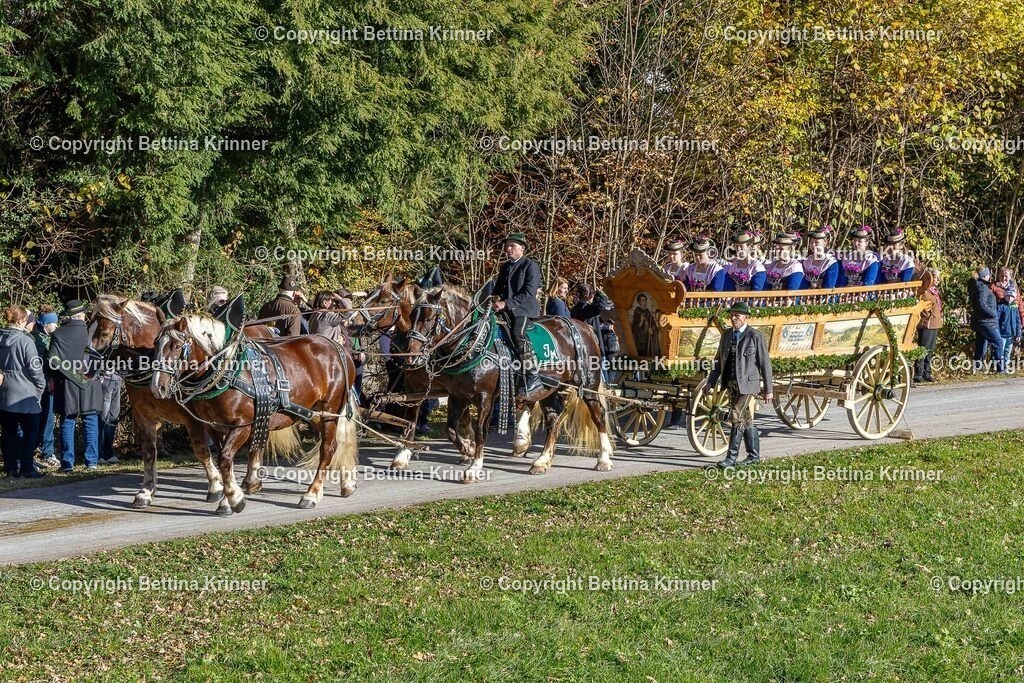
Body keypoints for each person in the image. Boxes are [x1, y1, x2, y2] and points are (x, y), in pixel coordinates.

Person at [705, 301, 773, 467]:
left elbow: (765, 363)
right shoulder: (727, 335)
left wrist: (768, 390)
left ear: (746, 317)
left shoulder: (755, 336)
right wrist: (711, 382)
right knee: (746, 419)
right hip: (731, 383)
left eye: (737, 315)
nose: (733, 318)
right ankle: (753, 456)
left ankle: (731, 458)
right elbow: (718, 360)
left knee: (735, 415)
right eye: (732, 315)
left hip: (748, 385)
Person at [48, 300, 104, 471]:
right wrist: (88, 376)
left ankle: (67, 464)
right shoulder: (92, 332)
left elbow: (53, 359)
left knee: (67, 422)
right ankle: (92, 462)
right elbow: (100, 357)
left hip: (67, 384)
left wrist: (72, 375)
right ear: (82, 315)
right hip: (90, 382)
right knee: (91, 421)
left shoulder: (58, 334)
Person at [492, 231, 543, 397]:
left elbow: (529, 293)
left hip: (524, 309)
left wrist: (506, 303)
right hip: (505, 309)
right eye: (507, 245)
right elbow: (497, 290)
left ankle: (533, 375)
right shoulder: (505, 267)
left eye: (512, 245)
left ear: (522, 248)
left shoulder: (531, 266)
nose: (508, 248)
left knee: (517, 333)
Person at [0, 305, 46, 478]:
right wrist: (40, 388)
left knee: (9, 433)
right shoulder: (26, 341)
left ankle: (11, 467)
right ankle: (27, 467)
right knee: (31, 431)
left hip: (4, 393)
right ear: (20, 320)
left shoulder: (0, 336)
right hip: (26, 393)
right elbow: (35, 369)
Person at [31, 306, 60, 468]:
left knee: (48, 420)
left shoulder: (50, 338)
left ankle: (48, 452)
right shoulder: (36, 339)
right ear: (45, 324)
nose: (56, 326)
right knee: (39, 420)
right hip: (39, 386)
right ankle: (35, 452)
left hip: (48, 386)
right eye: (53, 323)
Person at [969, 268, 1003, 373]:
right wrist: (993, 313)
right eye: (988, 274)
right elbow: (981, 304)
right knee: (998, 342)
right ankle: (1000, 369)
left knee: (981, 345)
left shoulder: (977, 286)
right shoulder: (983, 287)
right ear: (985, 276)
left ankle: (977, 368)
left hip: (981, 322)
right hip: (987, 322)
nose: (990, 275)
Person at [914, 268, 943, 384]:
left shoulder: (934, 291)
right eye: (935, 277)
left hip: (935, 323)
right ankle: (918, 373)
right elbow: (922, 306)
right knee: (923, 349)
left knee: (930, 350)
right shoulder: (924, 291)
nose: (937, 280)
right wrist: (928, 314)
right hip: (927, 323)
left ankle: (927, 372)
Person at [993, 267, 1021, 364]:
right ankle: (999, 366)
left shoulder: (1014, 288)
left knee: (1008, 349)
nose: (1004, 278)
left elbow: (1019, 305)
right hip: (1001, 327)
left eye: (1006, 276)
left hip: (1011, 328)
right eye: (1002, 275)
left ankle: (1006, 365)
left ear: (1010, 277)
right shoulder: (994, 287)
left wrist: (1019, 330)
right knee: (1000, 347)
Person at [98, 369, 122, 464]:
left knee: (113, 417)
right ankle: (100, 454)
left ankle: (108, 453)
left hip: (117, 378)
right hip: (105, 378)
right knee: (103, 418)